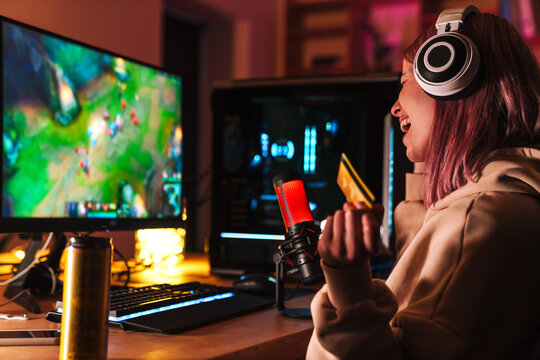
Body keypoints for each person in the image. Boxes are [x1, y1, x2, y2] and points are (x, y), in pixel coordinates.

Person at [307, 5, 540, 360]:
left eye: (404, 84)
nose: (395, 108)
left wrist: (347, 283)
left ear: (449, 81)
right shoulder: (511, 201)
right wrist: (433, 177)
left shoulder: (472, 223)